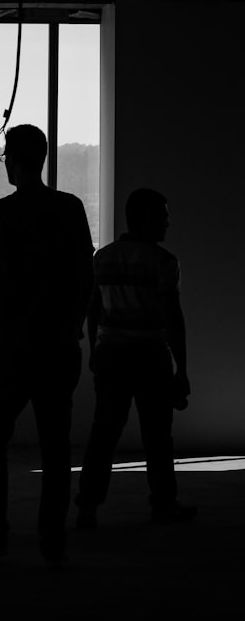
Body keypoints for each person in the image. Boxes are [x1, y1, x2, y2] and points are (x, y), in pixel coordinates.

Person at [0, 124, 94, 564]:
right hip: (58, 343)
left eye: (5, 155)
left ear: (15, 158)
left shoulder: (1, 213)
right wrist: (74, 329)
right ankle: (53, 538)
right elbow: (84, 278)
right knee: (55, 444)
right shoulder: (70, 208)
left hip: (12, 345)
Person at [74, 188, 196, 527]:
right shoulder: (165, 262)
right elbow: (173, 318)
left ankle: (88, 506)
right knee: (158, 436)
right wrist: (181, 368)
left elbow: (94, 309)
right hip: (150, 356)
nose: (168, 223)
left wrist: (95, 349)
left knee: (104, 432)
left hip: (111, 353)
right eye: (163, 216)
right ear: (146, 219)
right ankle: (163, 504)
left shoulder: (104, 258)